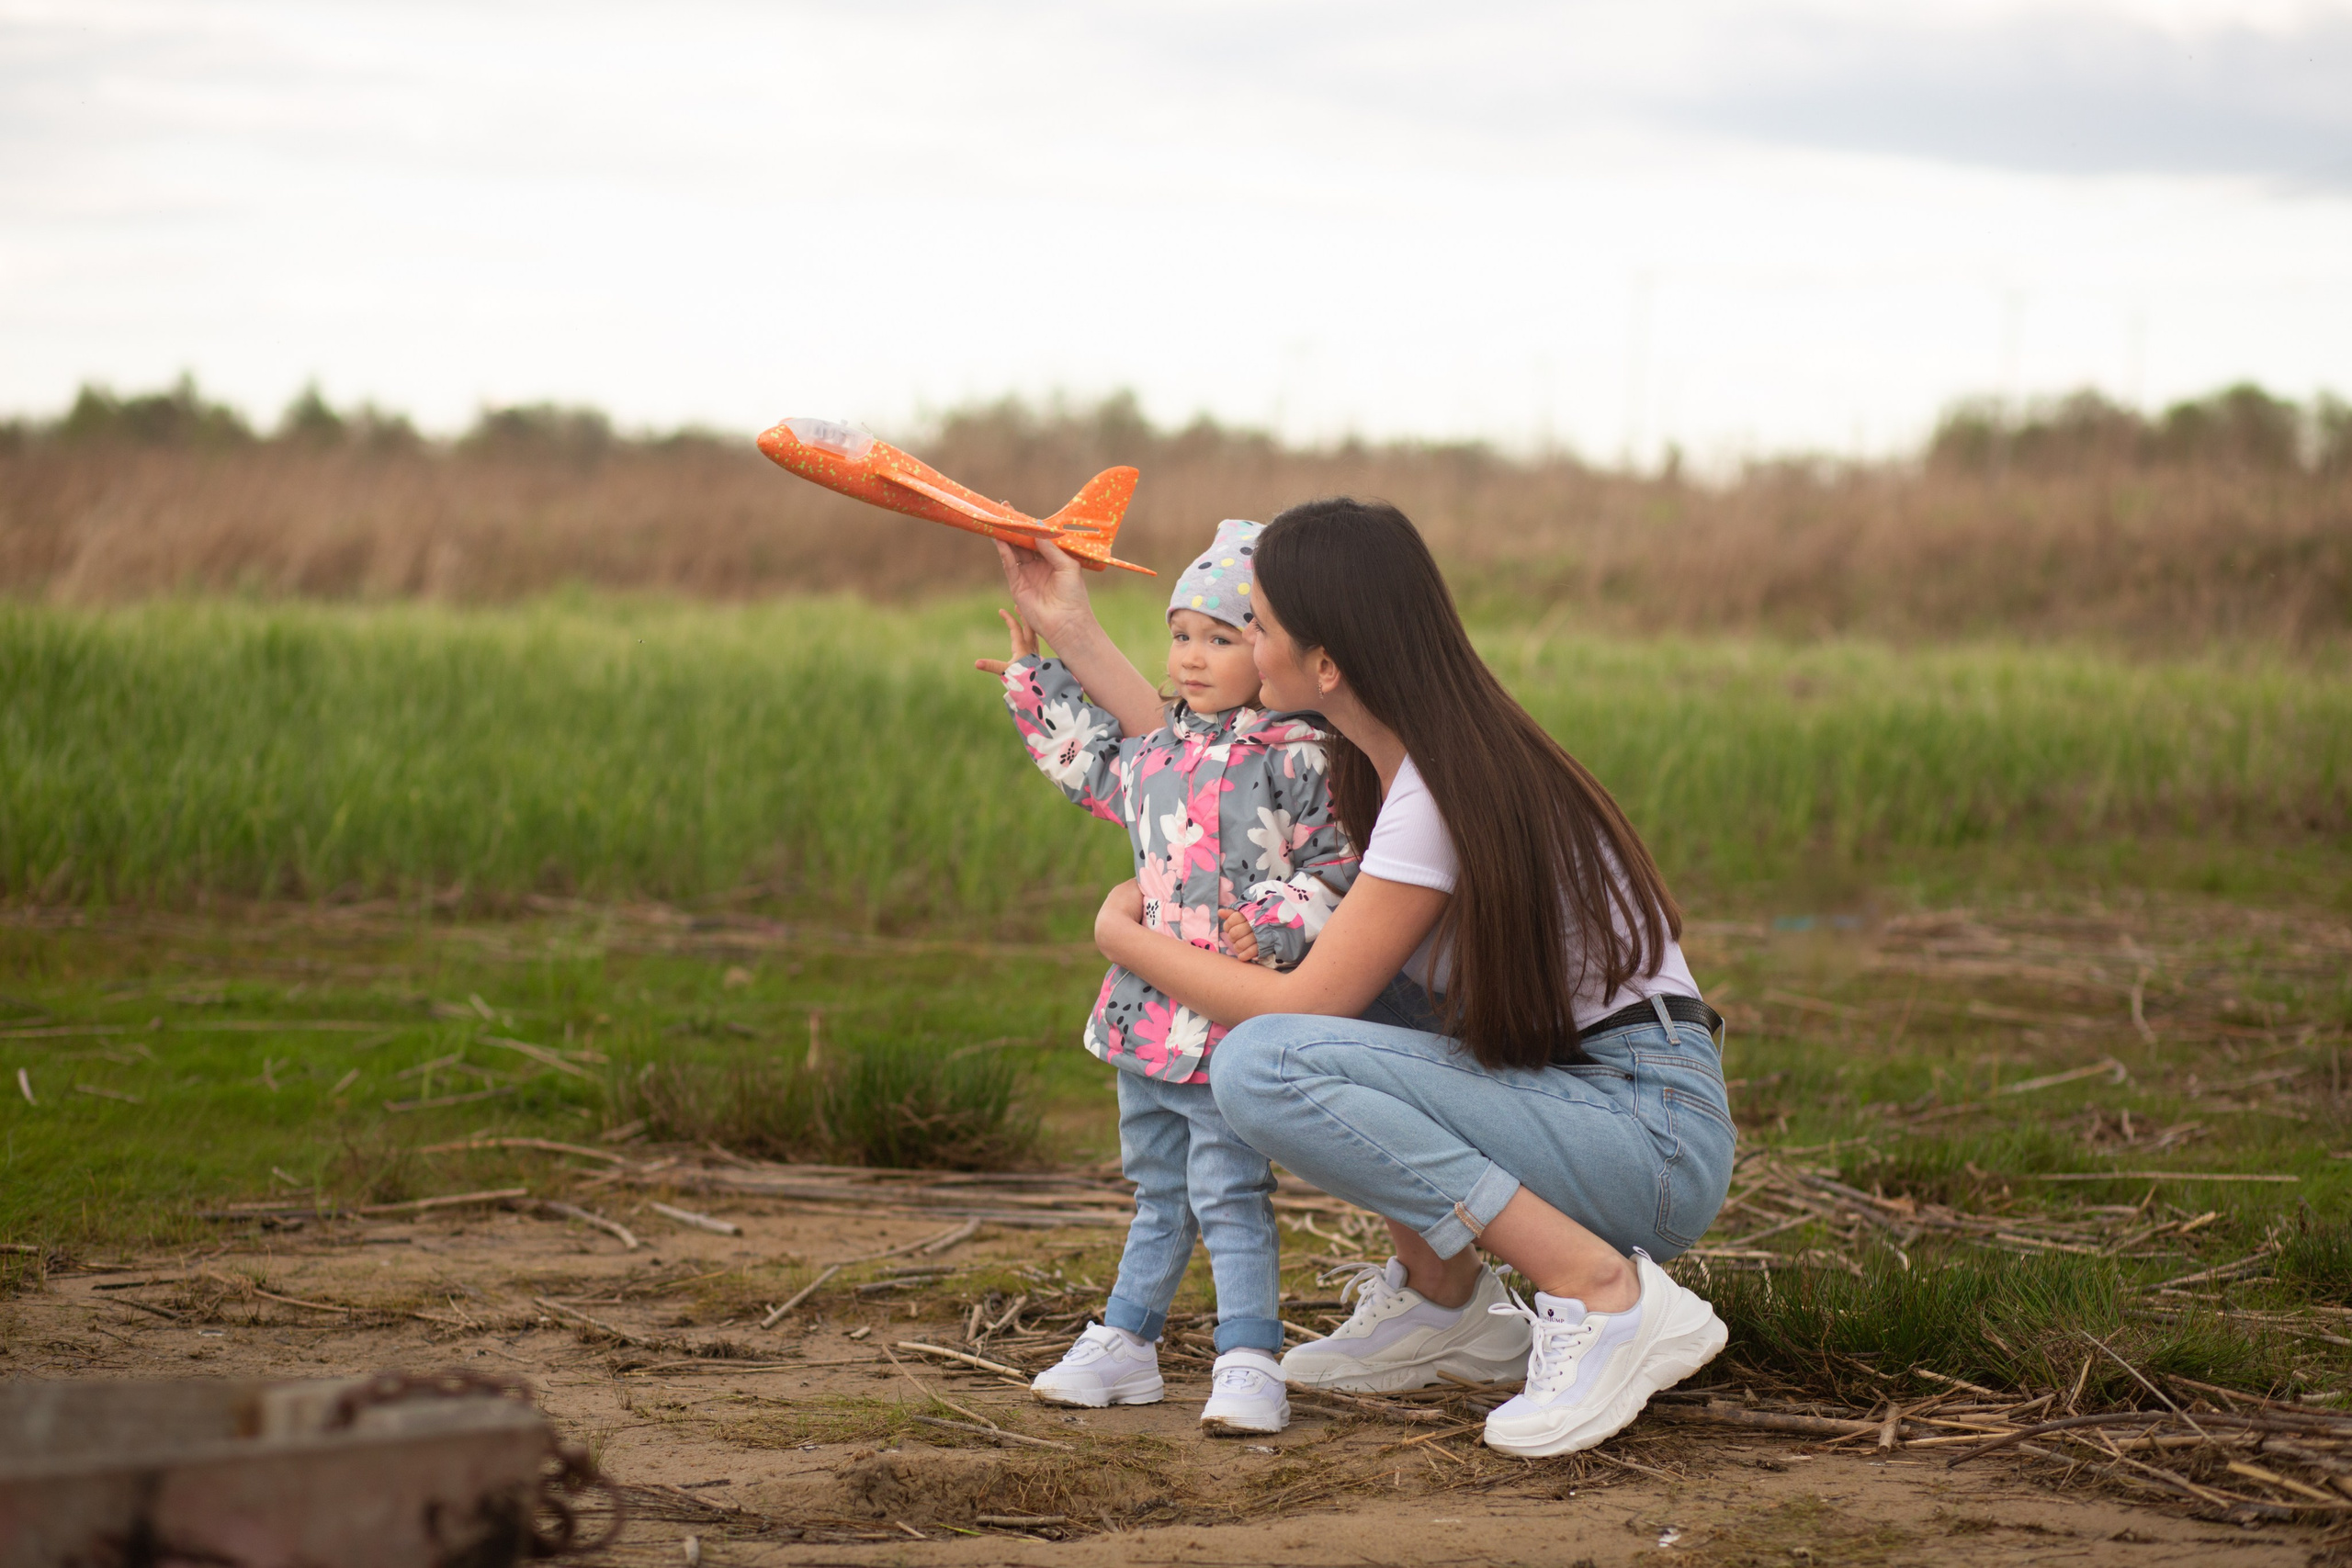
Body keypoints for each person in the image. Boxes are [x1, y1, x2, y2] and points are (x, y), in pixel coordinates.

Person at [993, 500, 1735, 1460]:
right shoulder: (1389, 766)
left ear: (1326, 666)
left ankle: (1605, 1298)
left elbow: (1300, 1017)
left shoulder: (1433, 795)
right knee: (1326, 980)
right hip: (1588, 1102)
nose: (1233, 647)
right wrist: (1070, 629)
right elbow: (1189, 766)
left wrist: (1120, 938)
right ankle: (1447, 1305)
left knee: (1265, 1064)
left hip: (1644, 1136)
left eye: (1253, 626)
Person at [977, 518, 1361, 1436]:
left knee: (1230, 1191)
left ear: (1268, 650)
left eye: (1222, 637)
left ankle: (1249, 1356)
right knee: (1156, 1188)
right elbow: (1084, 769)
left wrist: (1269, 924)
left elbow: (1340, 868)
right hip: (1146, 1022)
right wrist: (1037, 683)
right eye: (1181, 634)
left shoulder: (1299, 757)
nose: (1191, 658)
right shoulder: (1154, 756)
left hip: (1231, 1022)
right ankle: (1127, 1343)